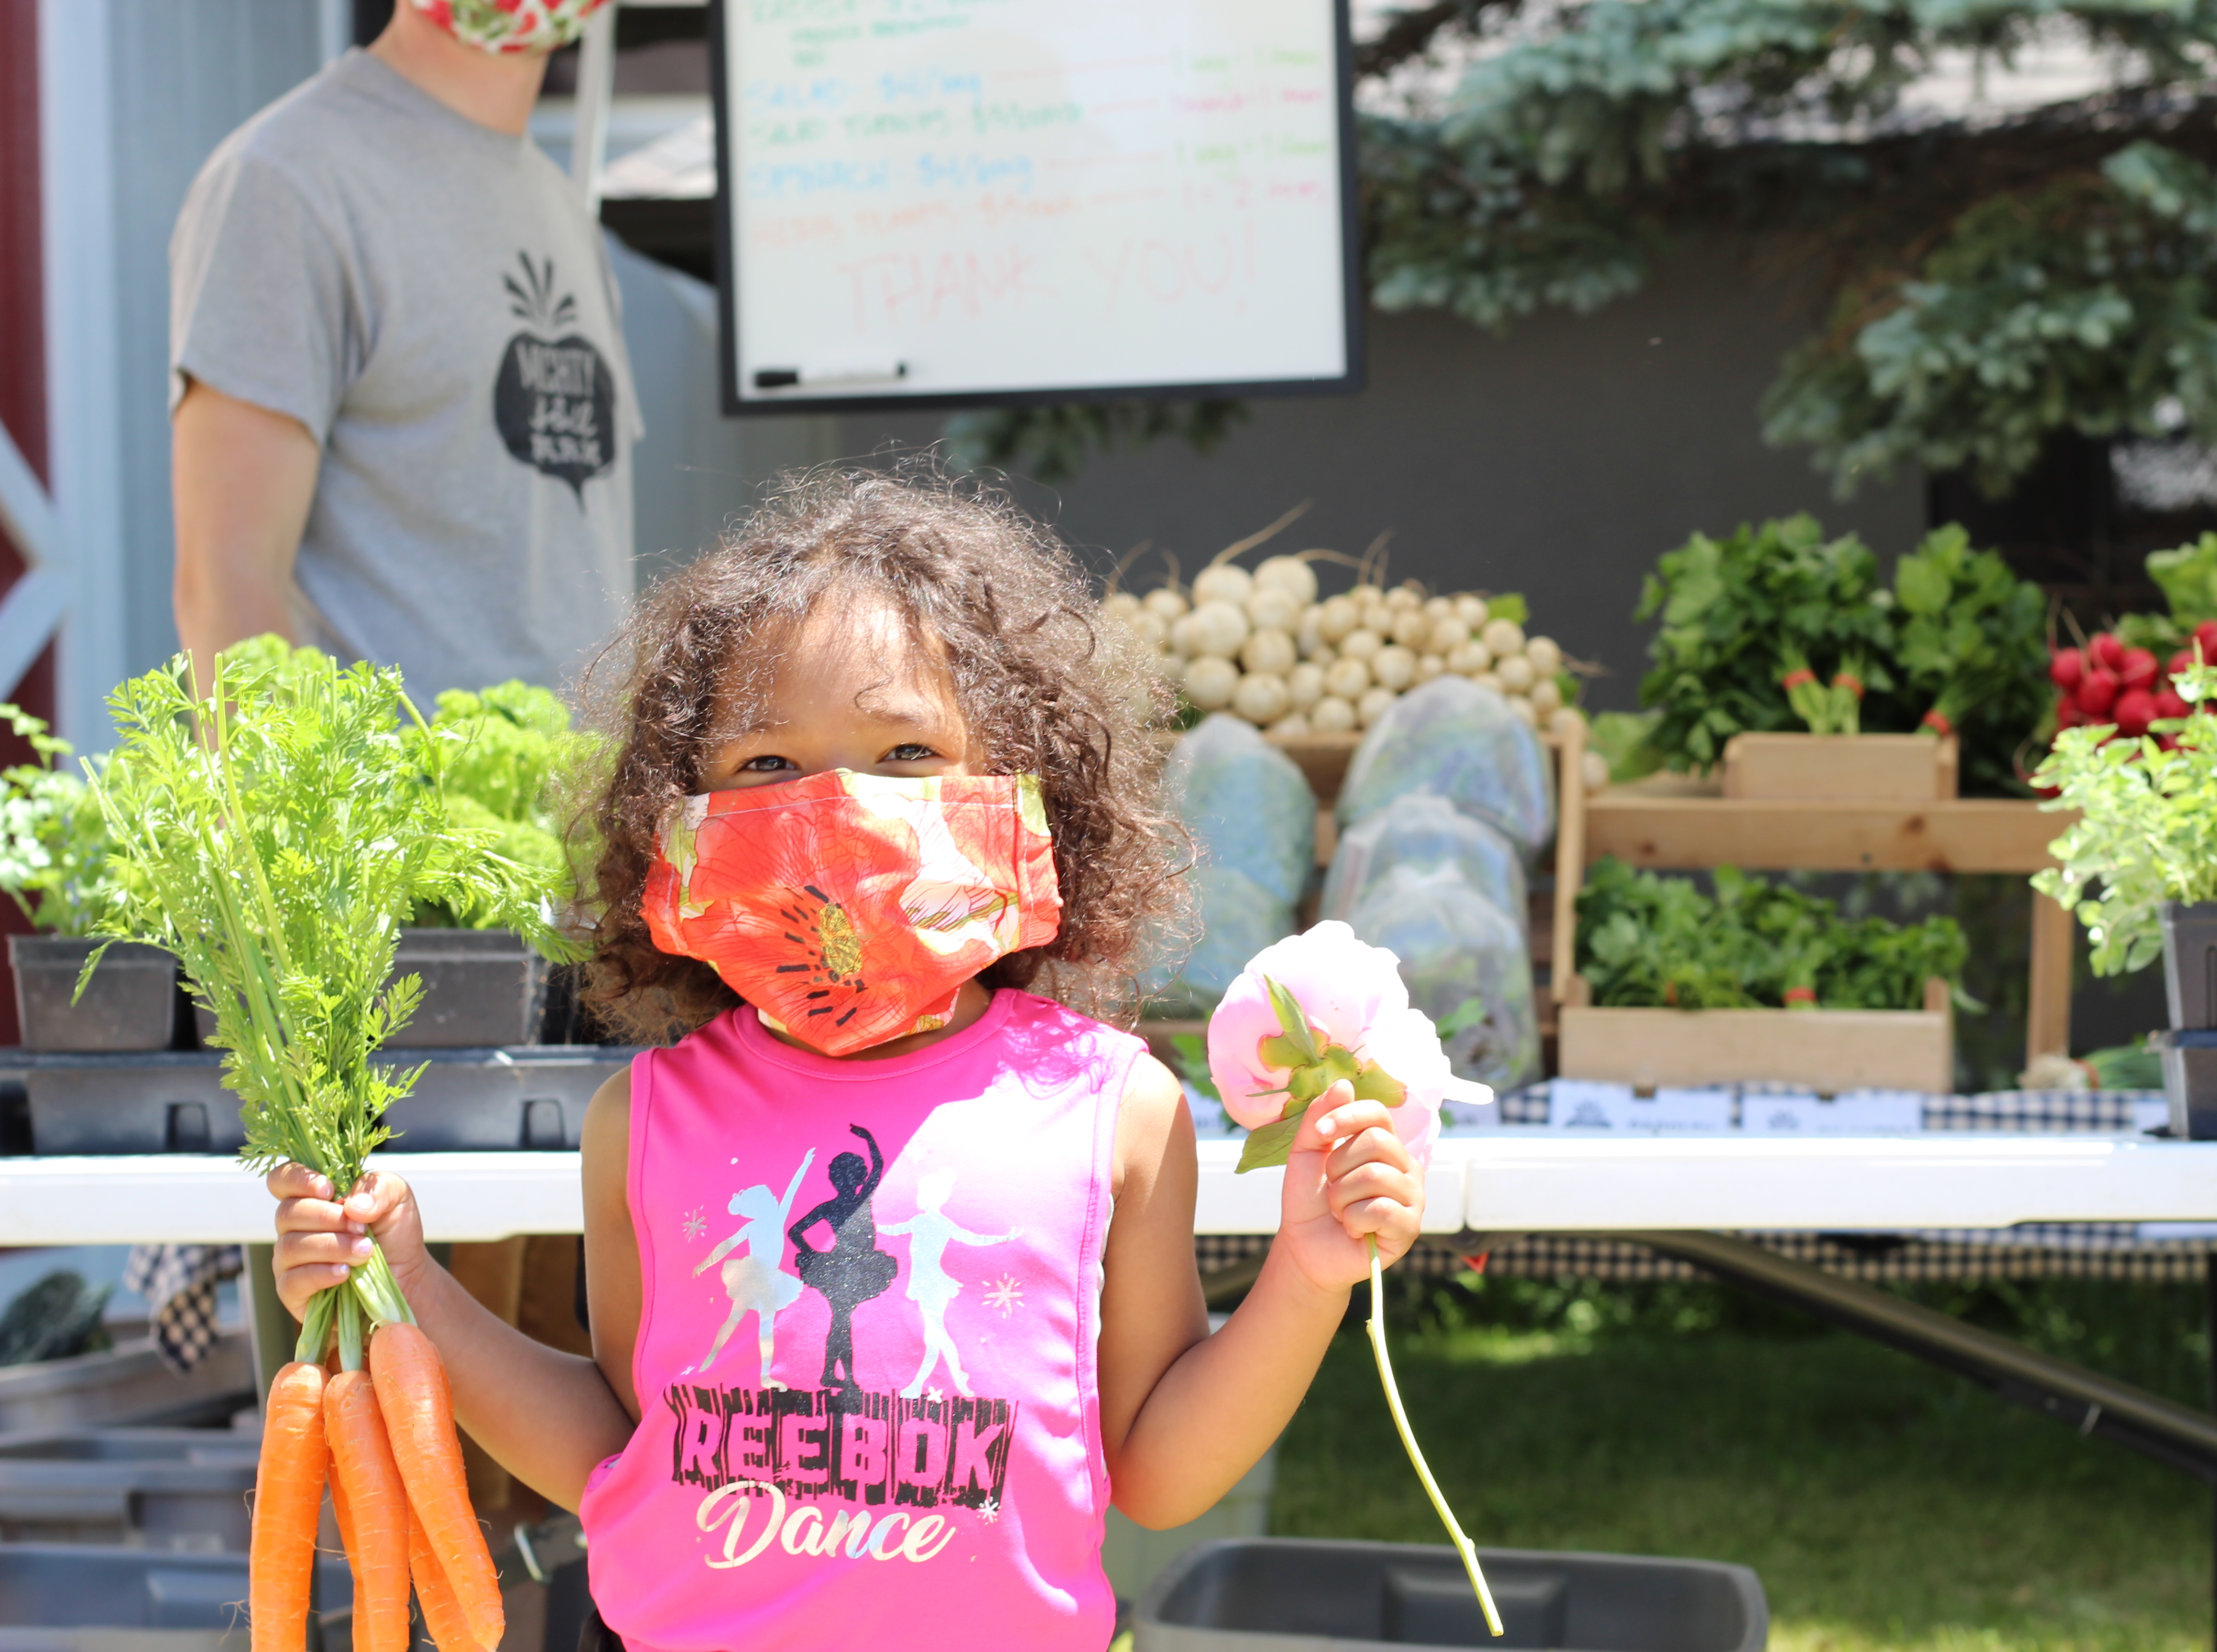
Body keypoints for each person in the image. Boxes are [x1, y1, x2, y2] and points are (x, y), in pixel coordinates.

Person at [265, 473, 1429, 1650]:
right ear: (682, 815)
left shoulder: (1113, 1112)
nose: (835, 810)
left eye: (907, 749)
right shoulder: (645, 1120)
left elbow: (1158, 1469)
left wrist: (1307, 1274)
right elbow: (619, 1444)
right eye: (767, 766)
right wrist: (407, 1282)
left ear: (1021, 784)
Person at [168, 0, 635, 706]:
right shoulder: (284, 180)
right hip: (395, 811)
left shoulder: (561, 207)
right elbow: (225, 588)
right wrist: (288, 816)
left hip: (586, 810)